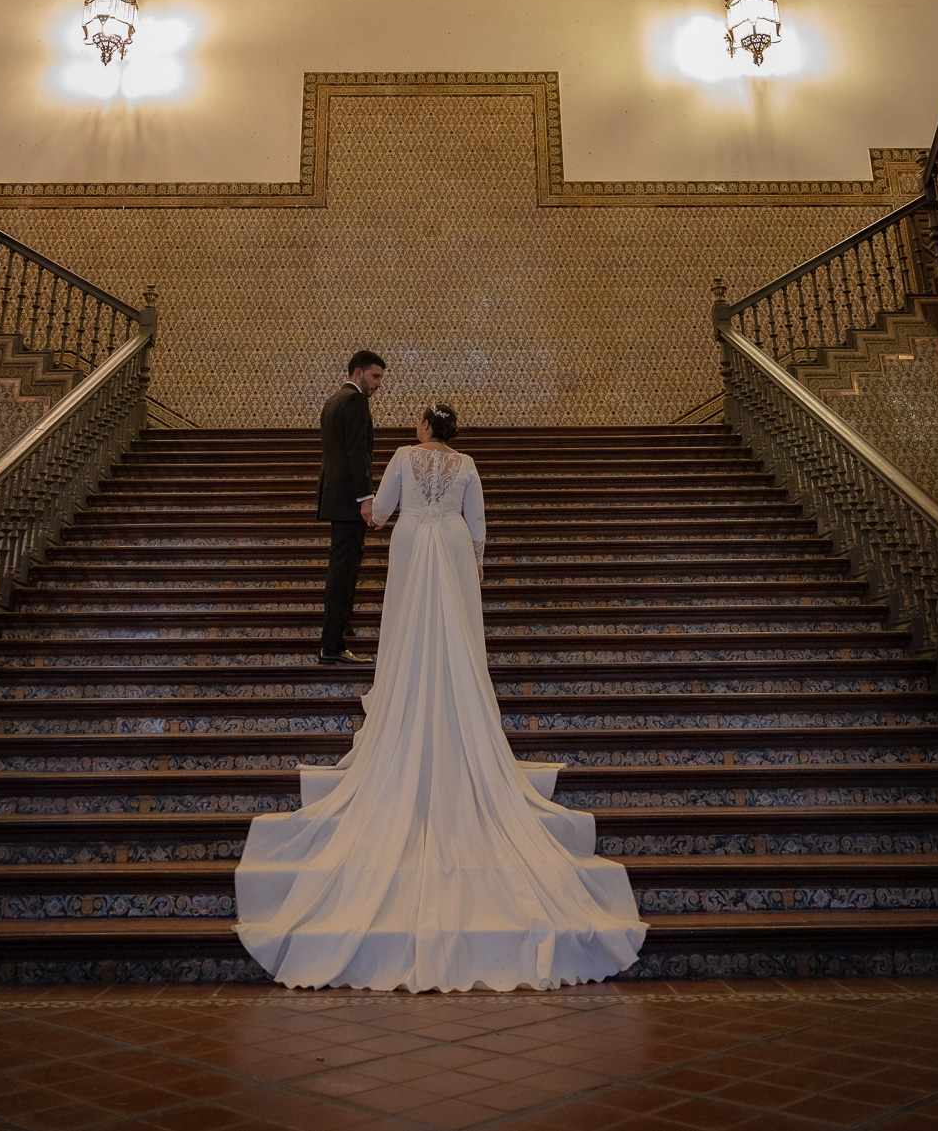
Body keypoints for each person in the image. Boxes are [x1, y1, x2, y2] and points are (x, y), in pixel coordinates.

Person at [234, 400, 646, 992]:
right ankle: (457, 699)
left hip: (411, 544)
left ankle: (408, 689)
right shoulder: (470, 464)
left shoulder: (402, 455)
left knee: (407, 626)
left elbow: (381, 512)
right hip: (451, 544)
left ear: (424, 427)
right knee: (454, 629)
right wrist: (476, 562)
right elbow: (479, 527)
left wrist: (356, 504)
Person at [317, 349, 386, 665]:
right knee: (343, 572)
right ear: (358, 373)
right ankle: (332, 645)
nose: (378, 384)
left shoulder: (333, 401)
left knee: (343, 567)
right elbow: (358, 455)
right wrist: (366, 498)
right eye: (375, 377)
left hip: (334, 498)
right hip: (349, 502)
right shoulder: (356, 402)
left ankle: (341, 627)